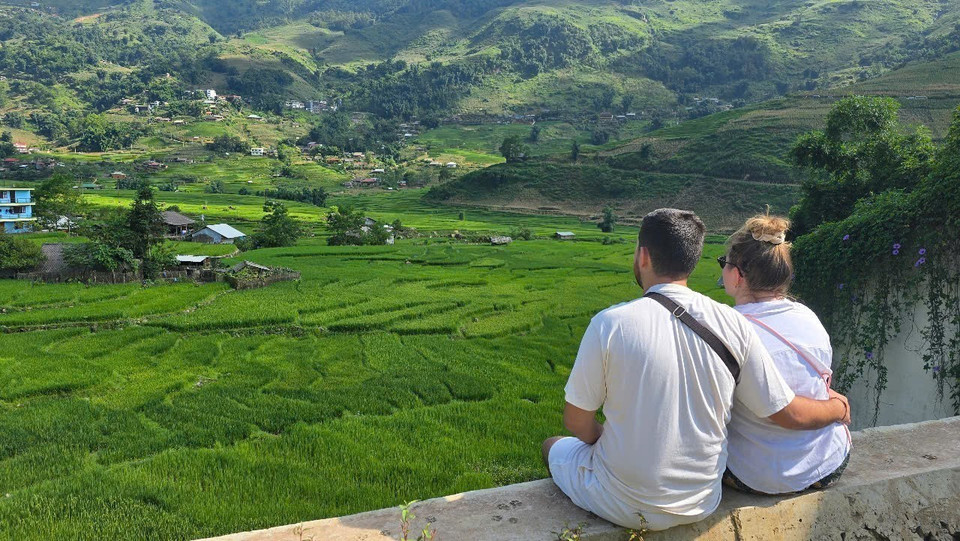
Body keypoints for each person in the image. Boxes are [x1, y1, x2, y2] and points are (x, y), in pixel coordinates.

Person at [541, 208, 850, 531]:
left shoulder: (610, 323)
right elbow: (782, 409)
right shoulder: (733, 323)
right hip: (703, 500)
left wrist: (602, 439)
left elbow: (576, 422)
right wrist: (836, 407)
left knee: (553, 445)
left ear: (643, 256)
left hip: (622, 501)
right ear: (693, 259)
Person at [720, 214, 851, 495]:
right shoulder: (807, 317)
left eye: (724, 264)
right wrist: (836, 407)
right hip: (825, 465)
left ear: (738, 274)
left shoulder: (726, 328)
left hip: (753, 475)